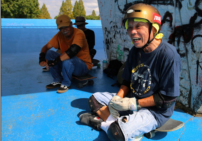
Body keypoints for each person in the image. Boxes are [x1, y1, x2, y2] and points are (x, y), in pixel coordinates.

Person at [79, 3, 181, 141]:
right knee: (94, 99)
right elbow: (127, 81)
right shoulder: (135, 51)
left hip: (154, 111)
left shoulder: (169, 55)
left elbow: (167, 100)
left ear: (154, 28)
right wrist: (118, 98)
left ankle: (102, 124)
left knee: (117, 133)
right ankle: (126, 125)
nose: (132, 32)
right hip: (132, 101)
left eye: (138, 26)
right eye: (130, 27)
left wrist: (133, 104)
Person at [39, 15, 93, 93]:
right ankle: (57, 80)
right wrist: (41, 58)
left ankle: (66, 83)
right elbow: (46, 47)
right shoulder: (59, 35)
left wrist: (54, 61)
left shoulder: (79, 33)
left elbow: (72, 52)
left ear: (71, 24)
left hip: (83, 67)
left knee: (68, 58)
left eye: (66, 27)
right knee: (49, 53)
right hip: (68, 62)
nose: (64, 30)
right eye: (61, 28)